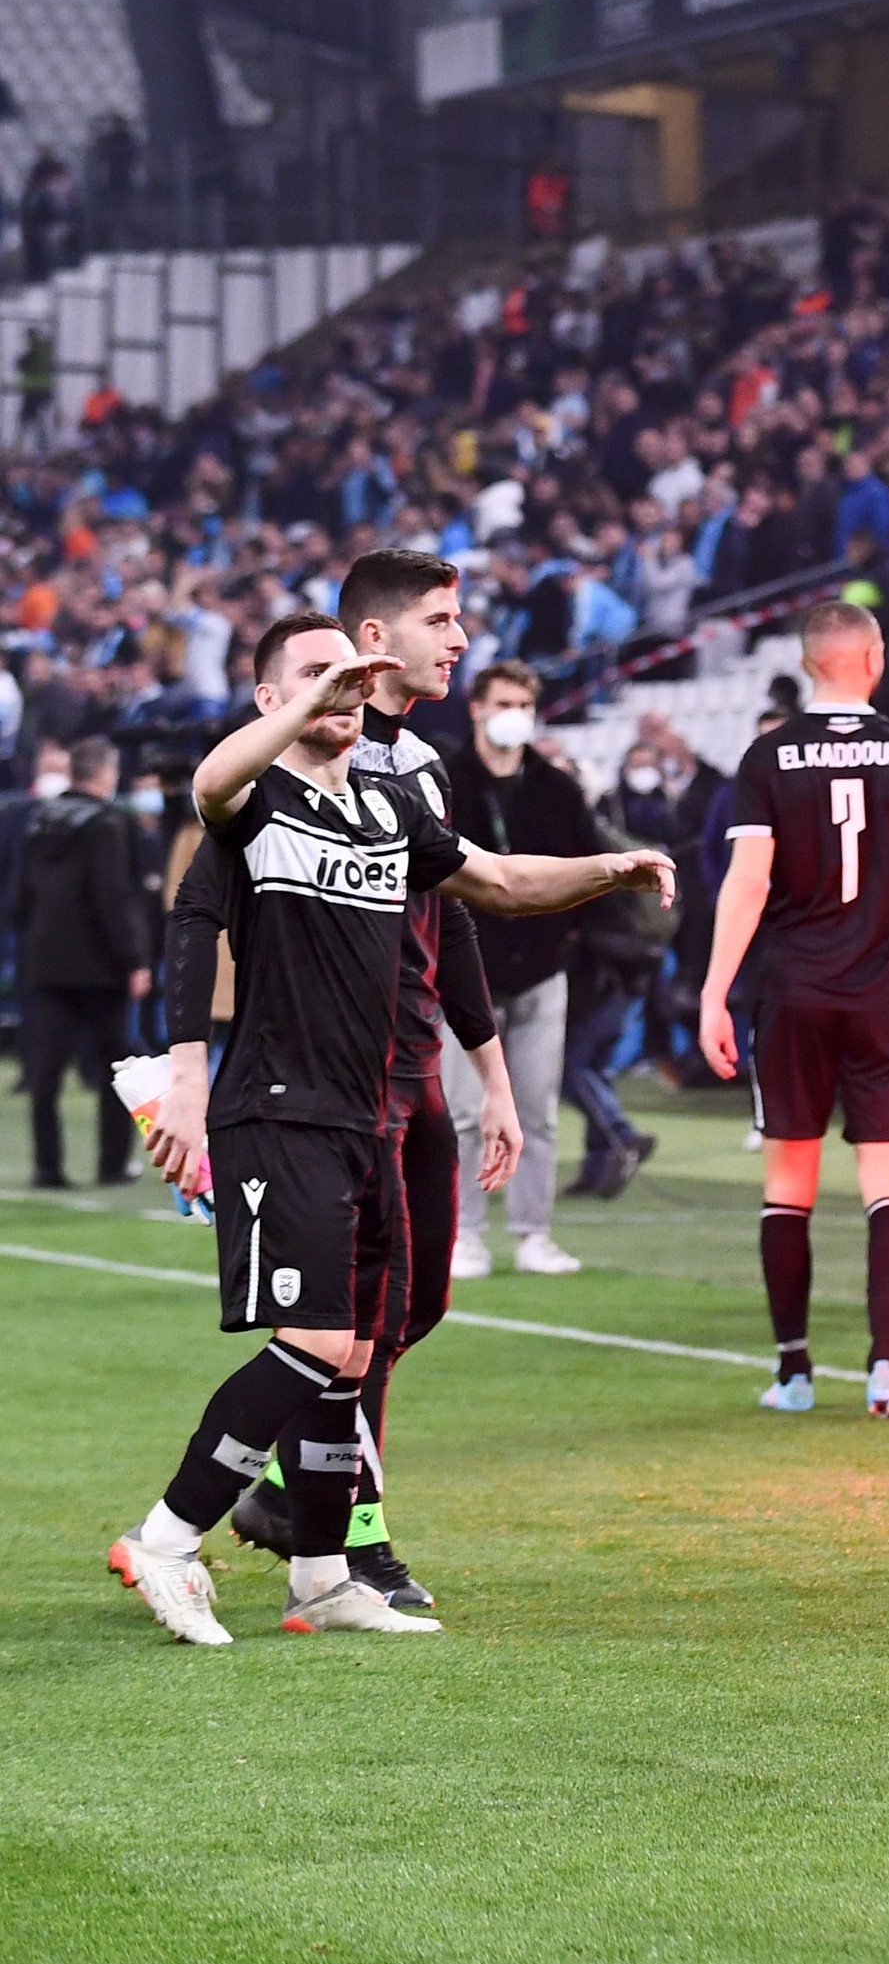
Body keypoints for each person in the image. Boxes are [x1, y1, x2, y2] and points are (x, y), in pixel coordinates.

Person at [118, 613, 669, 1645]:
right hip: (282, 1113)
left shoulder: (388, 805)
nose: (340, 690)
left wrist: (612, 865)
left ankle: (323, 1576)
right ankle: (167, 1535)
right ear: (266, 697)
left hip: (373, 1118)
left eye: (348, 674)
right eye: (313, 674)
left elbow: (498, 885)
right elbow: (209, 783)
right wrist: (299, 713)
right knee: (318, 1339)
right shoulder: (252, 801)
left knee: (357, 1353)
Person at [183, 545, 517, 1614]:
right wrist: (188, 1067)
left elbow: (459, 911)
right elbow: (200, 906)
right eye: (441, 619)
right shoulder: (279, 767)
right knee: (342, 1322)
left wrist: (490, 1073)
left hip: (410, 1069)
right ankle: (349, 1534)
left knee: (407, 1310)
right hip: (320, 1084)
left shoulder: (416, 766)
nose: (458, 639)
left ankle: (293, 1494)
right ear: (372, 642)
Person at [697, 601, 889, 1421]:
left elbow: (746, 881)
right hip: (888, 998)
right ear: (875, 658)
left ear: (807, 659)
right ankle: (886, 1369)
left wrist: (715, 989)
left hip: (794, 992)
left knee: (789, 1185)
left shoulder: (769, 755)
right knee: (888, 1187)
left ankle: (793, 1372)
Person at [440, 660, 603, 1277]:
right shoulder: (446, 781)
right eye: (503, 702)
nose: (514, 716)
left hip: (539, 967)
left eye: (523, 705)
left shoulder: (556, 789)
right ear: (477, 708)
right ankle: (465, 1234)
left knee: (536, 1109)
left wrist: (569, 938)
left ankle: (533, 1231)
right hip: (464, 972)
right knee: (462, 1112)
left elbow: (587, 867)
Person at [17, 736, 147, 1189]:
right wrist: (133, 960)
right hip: (99, 968)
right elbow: (112, 898)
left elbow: (20, 895)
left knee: (45, 1070)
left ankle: (46, 1165)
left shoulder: (40, 821)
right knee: (117, 1068)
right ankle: (112, 1163)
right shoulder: (106, 824)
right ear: (106, 773)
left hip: (46, 963)